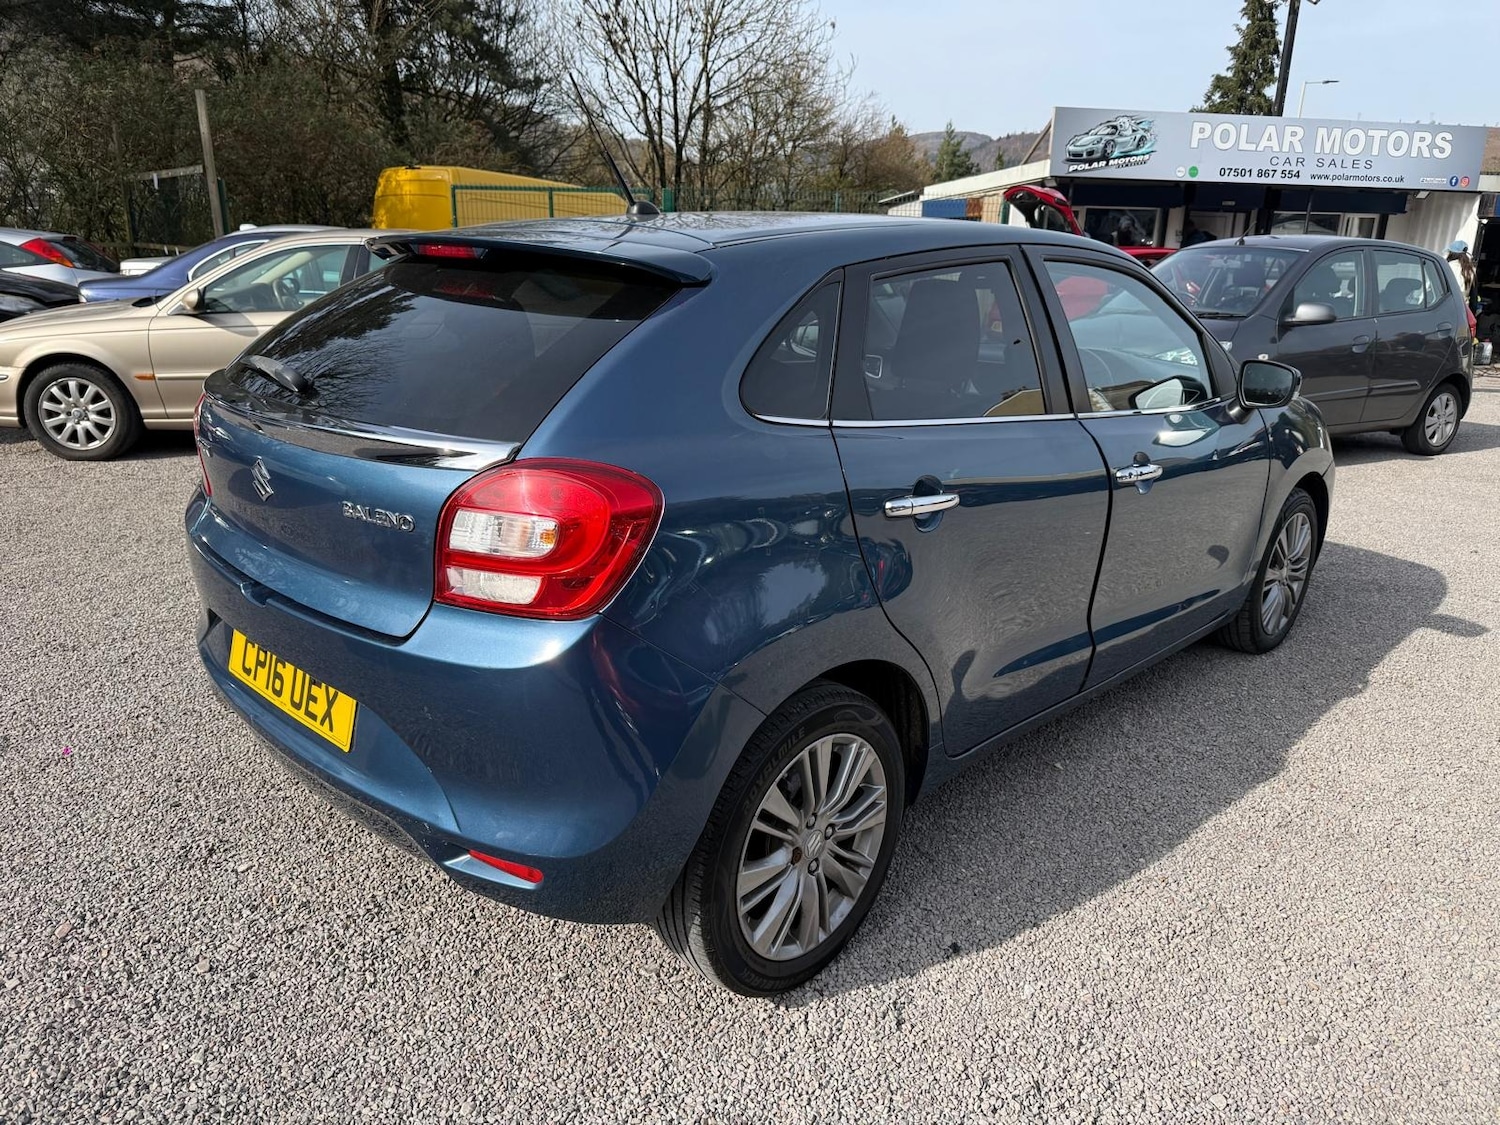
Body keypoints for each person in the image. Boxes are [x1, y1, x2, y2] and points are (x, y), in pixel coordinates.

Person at [1447, 240, 1476, 306]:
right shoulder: (1471, 269)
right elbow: (1473, 295)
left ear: (1452, 253)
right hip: (1463, 307)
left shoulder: (1449, 266)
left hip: (1448, 306)